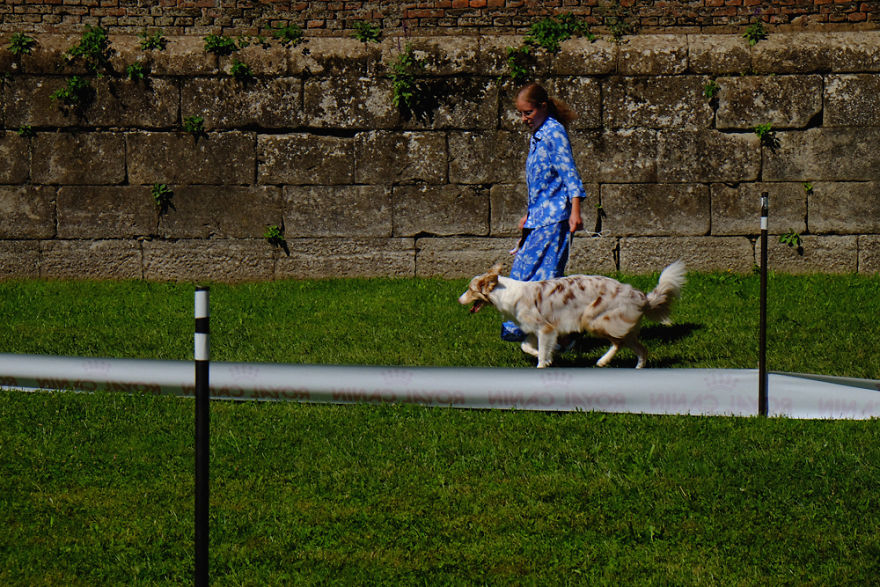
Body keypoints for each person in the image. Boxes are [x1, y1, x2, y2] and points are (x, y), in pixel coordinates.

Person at [501, 82, 587, 343]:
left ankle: (557, 335)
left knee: (541, 282)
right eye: (521, 113)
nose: (524, 119)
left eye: (528, 113)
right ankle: (541, 333)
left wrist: (575, 211)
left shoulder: (553, 134)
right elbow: (542, 182)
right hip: (539, 218)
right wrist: (530, 213)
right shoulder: (539, 135)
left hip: (555, 219)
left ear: (543, 107)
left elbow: (569, 174)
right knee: (525, 278)